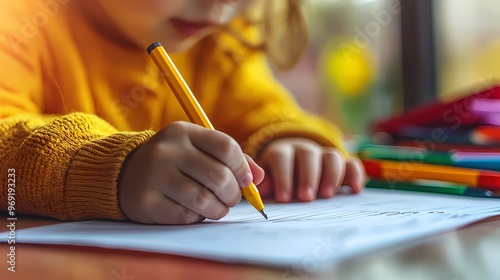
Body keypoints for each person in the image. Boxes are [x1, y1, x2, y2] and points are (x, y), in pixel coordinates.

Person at [0, 0, 365, 225]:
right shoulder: (19, 18)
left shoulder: (219, 40)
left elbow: (265, 113)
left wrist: (292, 142)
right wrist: (114, 169)